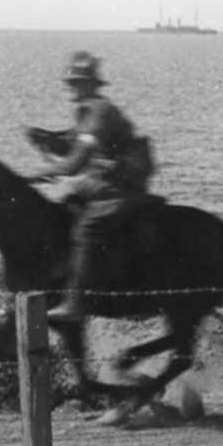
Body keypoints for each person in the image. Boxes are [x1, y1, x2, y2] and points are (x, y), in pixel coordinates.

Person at [31, 51, 154, 320]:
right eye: (70, 83)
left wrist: (39, 174)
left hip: (121, 186)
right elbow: (73, 141)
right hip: (103, 182)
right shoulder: (86, 112)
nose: (70, 88)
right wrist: (47, 138)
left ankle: (76, 302)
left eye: (76, 82)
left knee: (88, 228)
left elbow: (74, 163)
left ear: (89, 84)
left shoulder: (101, 111)